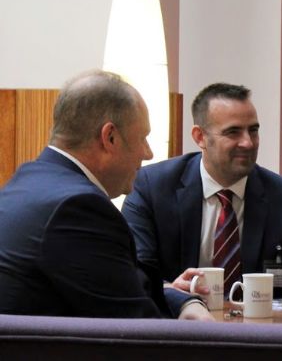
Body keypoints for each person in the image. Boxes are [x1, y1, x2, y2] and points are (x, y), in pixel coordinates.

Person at [0, 70, 210, 320]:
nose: (148, 153)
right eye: (143, 138)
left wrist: (180, 299)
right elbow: (140, 332)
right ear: (109, 137)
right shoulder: (79, 208)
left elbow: (116, 284)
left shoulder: (28, 179)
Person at [122, 82, 282, 301]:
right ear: (200, 137)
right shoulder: (152, 187)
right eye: (233, 132)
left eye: (253, 130)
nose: (248, 142)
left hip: (260, 330)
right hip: (179, 326)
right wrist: (170, 291)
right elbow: (136, 276)